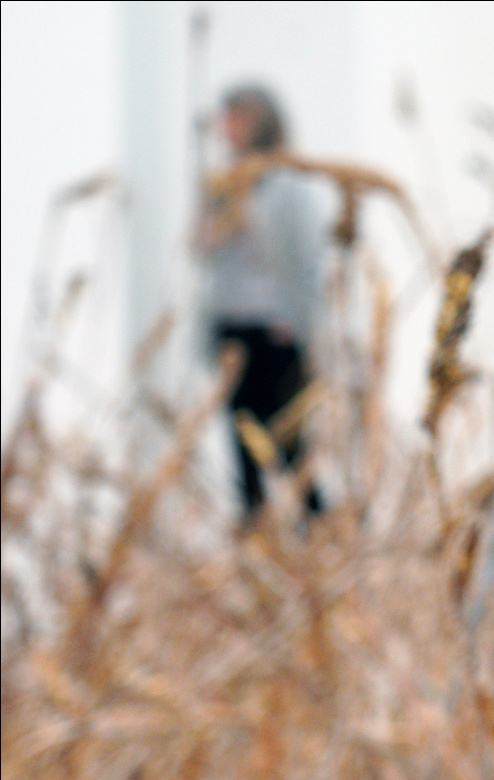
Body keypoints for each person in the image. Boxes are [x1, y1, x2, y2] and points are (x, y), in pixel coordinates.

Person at [194, 85, 325, 523]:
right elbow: (204, 253)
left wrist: (299, 322)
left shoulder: (288, 184)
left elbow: (303, 259)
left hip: (277, 328)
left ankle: (317, 525)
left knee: (288, 442)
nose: (228, 129)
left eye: (238, 118)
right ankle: (253, 532)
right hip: (235, 326)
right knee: (241, 440)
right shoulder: (221, 183)